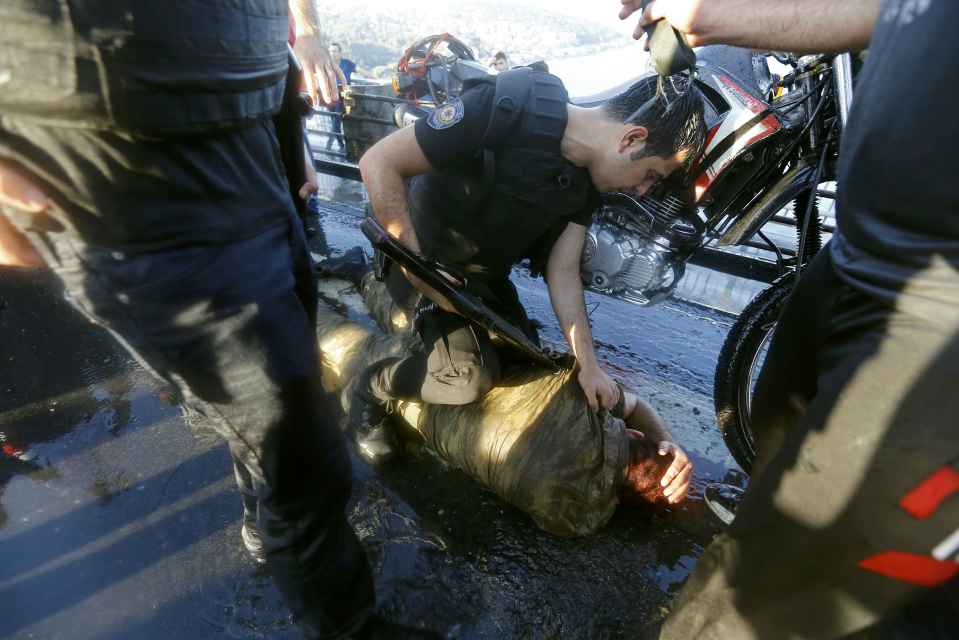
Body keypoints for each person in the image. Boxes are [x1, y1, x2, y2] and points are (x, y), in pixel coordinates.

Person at [0, 2, 431, 638]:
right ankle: (348, 625)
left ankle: (265, 516)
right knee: (298, 442)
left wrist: (296, 54)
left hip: (249, 96)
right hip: (109, 143)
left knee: (287, 369)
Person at [617, 1, 959, 638]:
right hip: (859, 257)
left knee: (751, 613)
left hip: (941, 316)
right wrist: (712, 14)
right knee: (778, 444)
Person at [347, 67, 706, 465]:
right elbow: (377, 162)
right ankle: (370, 387)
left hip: (477, 281)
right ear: (631, 138)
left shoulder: (587, 184)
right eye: (650, 175)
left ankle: (363, 277)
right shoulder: (508, 107)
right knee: (468, 378)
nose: (642, 190)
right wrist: (419, 269)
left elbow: (564, 271)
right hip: (416, 259)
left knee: (530, 361)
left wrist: (589, 366)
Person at [312, 269, 694, 536]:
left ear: (629, 432)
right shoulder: (574, 520)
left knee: (408, 318)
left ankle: (360, 275)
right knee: (339, 337)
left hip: (444, 368)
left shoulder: (587, 402)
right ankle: (306, 300)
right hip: (417, 407)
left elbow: (636, 405)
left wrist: (668, 442)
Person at [325, 42, 357, 151]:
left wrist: (375, 79)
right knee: (335, 122)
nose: (332, 53)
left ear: (340, 53)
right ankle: (341, 146)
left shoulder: (346, 63)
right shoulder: (326, 64)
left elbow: (360, 70)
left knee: (337, 121)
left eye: (334, 51)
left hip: (345, 97)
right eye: (330, 51)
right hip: (331, 97)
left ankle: (329, 145)